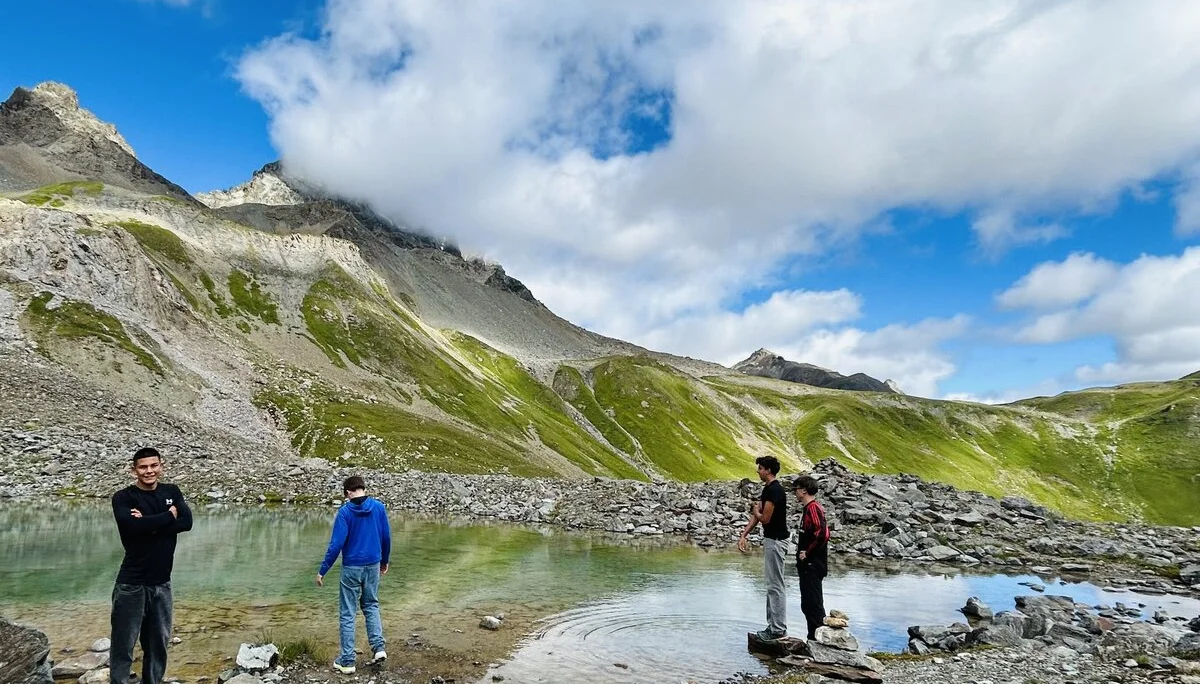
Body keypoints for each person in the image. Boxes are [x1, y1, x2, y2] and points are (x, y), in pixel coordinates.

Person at [110, 447, 193, 684]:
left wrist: (147, 522)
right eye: (143, 467)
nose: (149, 471)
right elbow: (132, 527)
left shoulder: (171, 491)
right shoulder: (123, 497)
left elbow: (187, 522)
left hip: (162, 583)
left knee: (158, 643)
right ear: (133, 470)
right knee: (123, 645)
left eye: (154, 465)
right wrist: (168, 516)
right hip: (132, 584)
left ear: (161, 466)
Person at [317, 475, 392, 674]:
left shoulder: (345, 512)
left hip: (351, 567)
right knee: (371, 604)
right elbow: (386, 537)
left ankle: (347, 660)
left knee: (348, 612)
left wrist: (323, 570)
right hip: (373, 564)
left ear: (348, 492)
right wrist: (384, 561)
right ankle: (378, 648)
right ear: (363, 489)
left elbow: (336, 544)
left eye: (346, 494)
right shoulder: (378, 507)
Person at [737, 455, 788, 641]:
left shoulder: (775, 490)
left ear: (768, 470)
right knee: (771, 584)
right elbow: (758, 515)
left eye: (760, 468)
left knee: (775, 585)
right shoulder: (768, 489)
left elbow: (764, 518)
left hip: (776, 540)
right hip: (771, 540)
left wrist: (755, 511)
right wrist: (744, 534)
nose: (757, 471)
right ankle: (773, 626)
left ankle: (778, 629)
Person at [793, 475, 830, 640]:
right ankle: (812, 637)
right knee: (808, 603)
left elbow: (822, 534)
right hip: (809, 565)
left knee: (813, 603)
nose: (795, 493)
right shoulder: (809, 508)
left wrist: (807, 553)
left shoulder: (813, 508)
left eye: (796, 489)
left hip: (812, 564)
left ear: (804, 490)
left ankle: (818, 640)